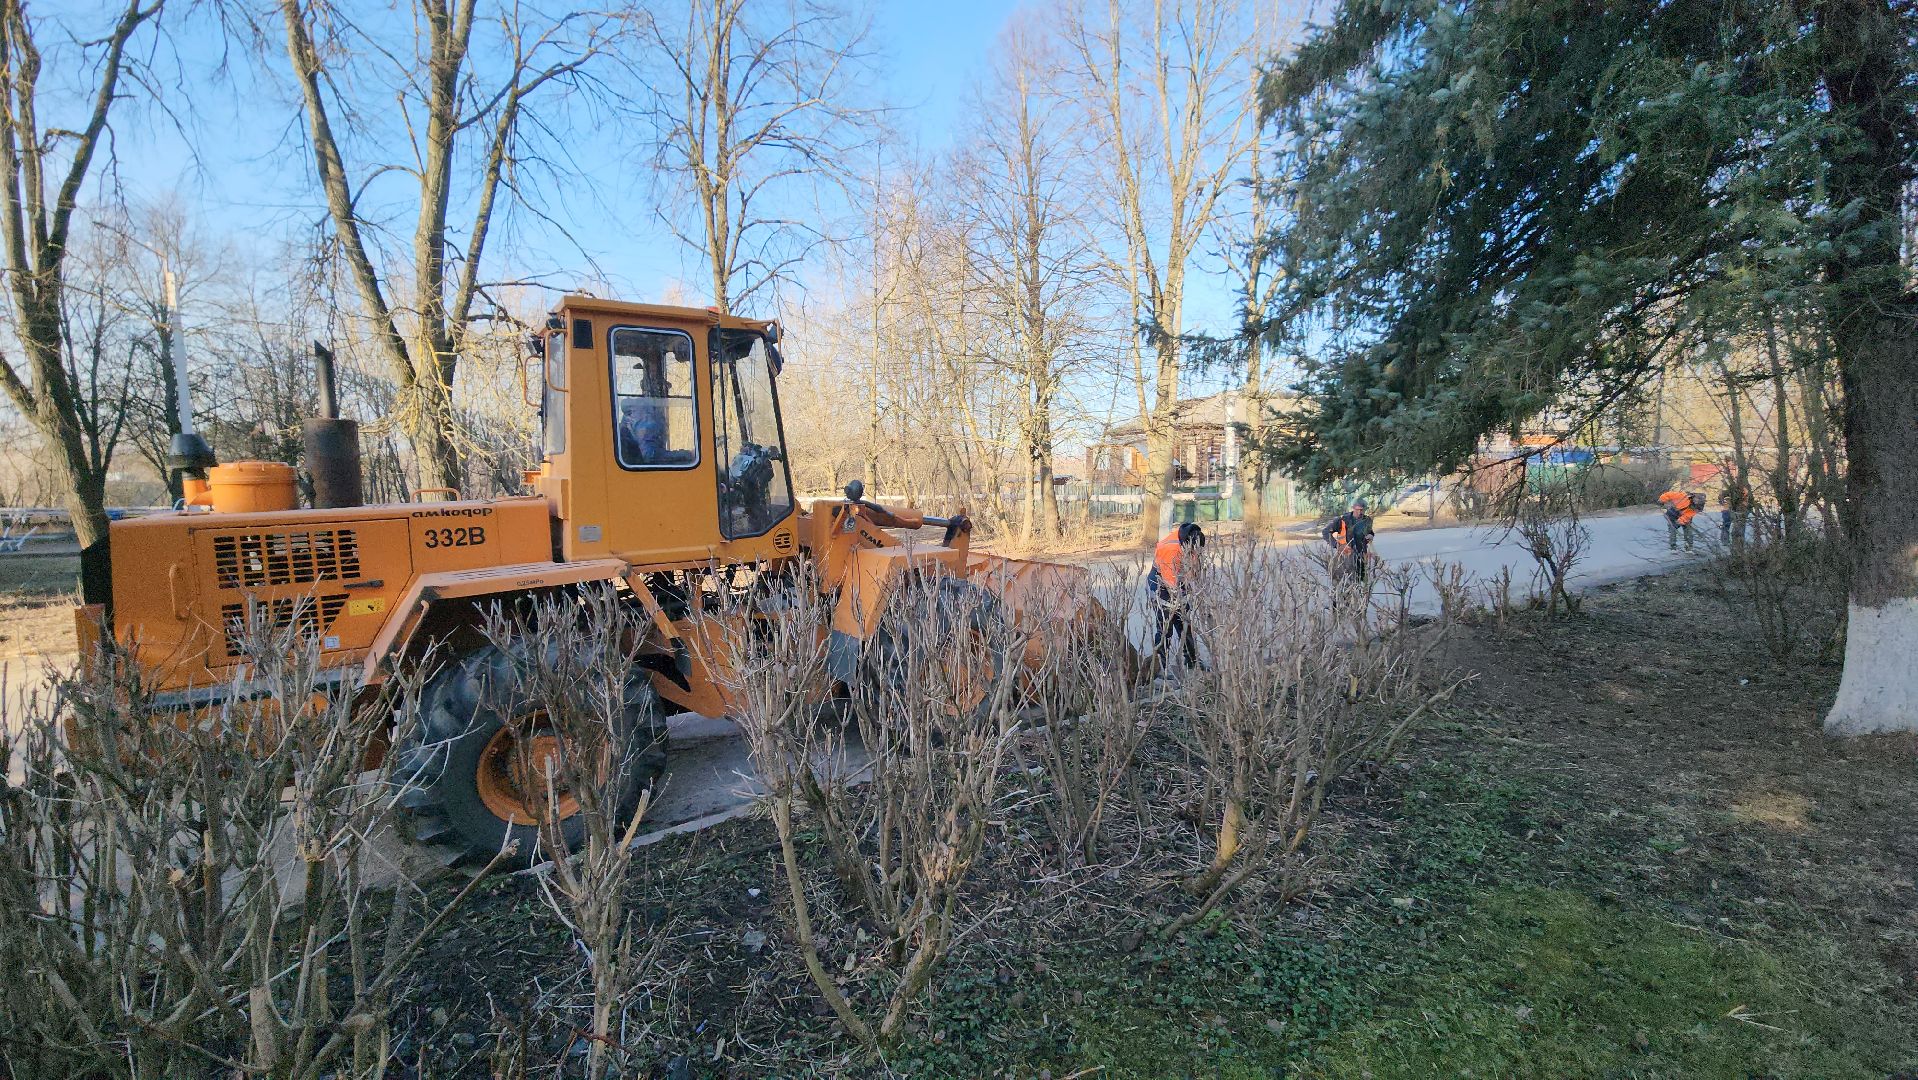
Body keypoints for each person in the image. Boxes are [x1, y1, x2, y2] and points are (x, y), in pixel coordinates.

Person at [1147, 522, 1205, 669]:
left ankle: (1192, 661)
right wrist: (1180, 600)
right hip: (1160, 582)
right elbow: (1171, 583)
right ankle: (1160, 666)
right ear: (1187, 545)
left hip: (1178, 580)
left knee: (1185, 624)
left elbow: (1193, 571)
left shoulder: (1191, 540)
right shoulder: (1171, 550)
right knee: (1166, 626)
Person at [1323, 499, 1375, 582]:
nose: (1360, 512)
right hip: (1346, 555)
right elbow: (1325, 532)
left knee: (1362, 581)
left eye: (1363, 510)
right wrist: (1337, 545)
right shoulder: (1343, 520)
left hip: (1362, 555)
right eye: (1358, 510)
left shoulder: (1367, 520)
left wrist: (1371, 535)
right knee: (1348, 581)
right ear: (1353, 508)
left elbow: (1369, 532)